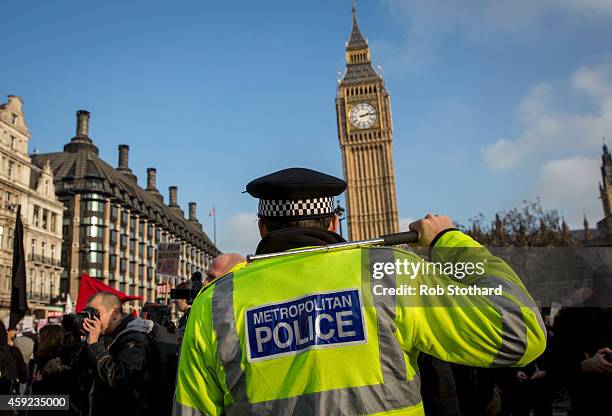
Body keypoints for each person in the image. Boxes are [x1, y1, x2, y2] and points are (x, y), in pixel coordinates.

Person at [174, 167, 547, 415]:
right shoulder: (388, 272)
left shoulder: (216, 301)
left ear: (261, 227)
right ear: (335, 220)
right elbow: (520, 331)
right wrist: (450, 241)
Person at [82, 291, 157, 416]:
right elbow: (81, 371)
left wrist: (94, 345)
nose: (91, 319)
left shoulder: (136, 338)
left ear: (115, 314)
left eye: (95, 314)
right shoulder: (106, 335)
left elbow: (119, 378)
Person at [553, 265, 612, 415]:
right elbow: (555, 368)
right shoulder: (571, 319)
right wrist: (584, 365)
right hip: (587, 404)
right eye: (607, 298)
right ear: (596, 293)